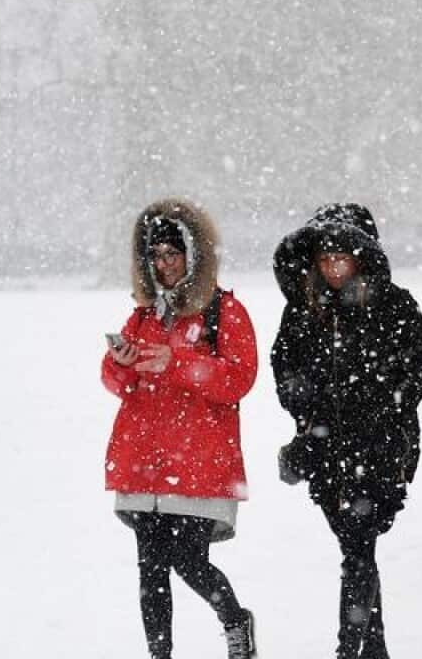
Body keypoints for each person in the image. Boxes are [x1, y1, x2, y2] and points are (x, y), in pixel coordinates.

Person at [272, 204, 422, 659]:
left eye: (341, 257)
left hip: (381, 448)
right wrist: (299, 397)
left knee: (357, 548)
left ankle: (349, 648)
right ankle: (375, 646)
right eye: (324, 259)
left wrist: (385, 406)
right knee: (355, 546)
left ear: (362, 257)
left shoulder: (394, 304)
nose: (332, 267)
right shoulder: (303, 311)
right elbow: (282, 366)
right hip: (323, 448)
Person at [101, 198, 258, 659]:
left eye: (173, 254)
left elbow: (239, 378)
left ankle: (234, 620)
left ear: (194, 256)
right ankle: (160, 654)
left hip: (197, 461)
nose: (165, 265)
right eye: (157, 257)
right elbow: (118, 383)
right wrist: (120, 364)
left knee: (190, 561)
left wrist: (180, 363)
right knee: (150, 570)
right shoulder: (146, 314)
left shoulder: (224, 311)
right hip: (144, 459)